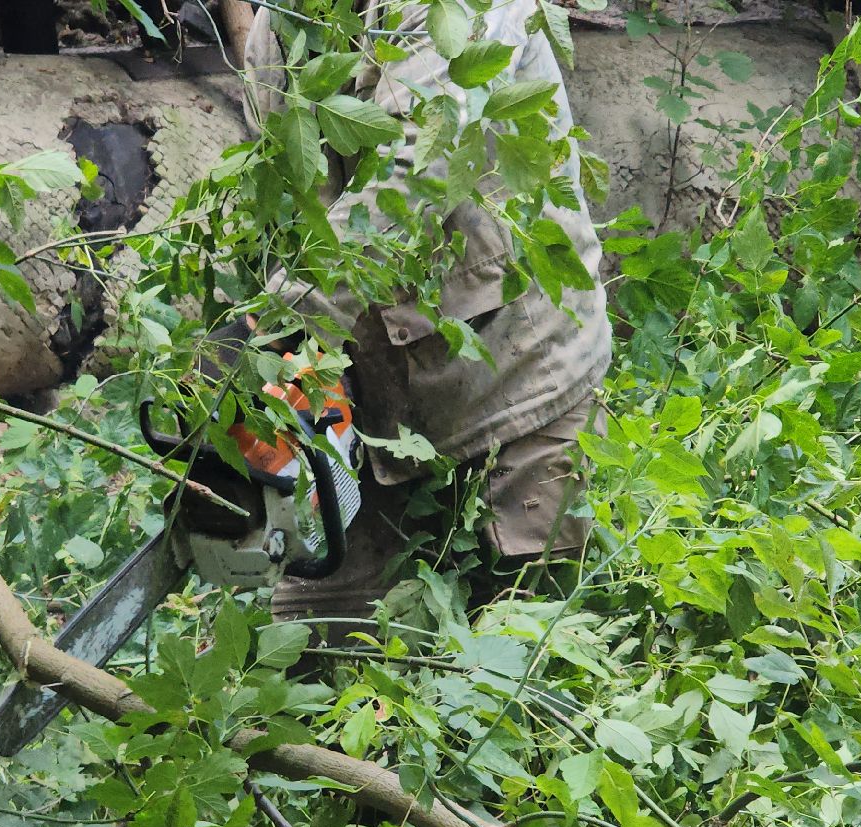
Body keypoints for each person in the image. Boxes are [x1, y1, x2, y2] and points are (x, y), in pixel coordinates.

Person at [223, 0, 612, 626]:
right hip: (380, 408)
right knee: (310, 642)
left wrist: (280, 319)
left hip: (517, 380)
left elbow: (415, 172)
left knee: (526, 646)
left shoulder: (461, 11)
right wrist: (287, 365)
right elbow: (292, 205)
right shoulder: (278, 33)